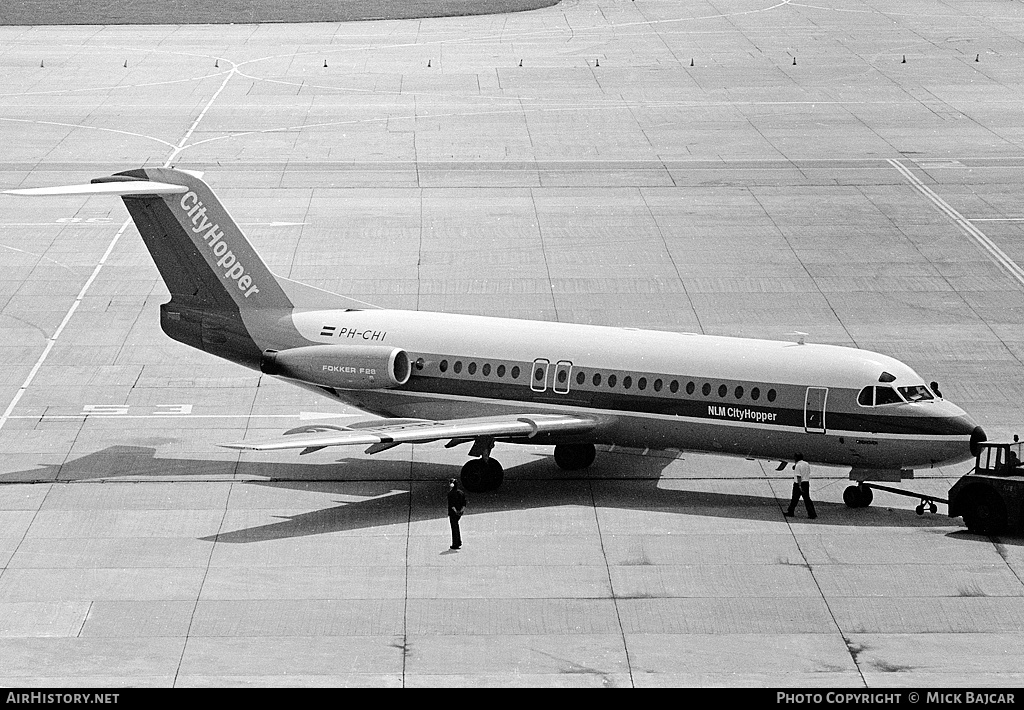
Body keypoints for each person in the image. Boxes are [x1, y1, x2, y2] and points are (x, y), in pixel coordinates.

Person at [785, 453, 817, 519]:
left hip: (799, 484)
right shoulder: (806, 464)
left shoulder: (798, 465)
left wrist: (799, 486)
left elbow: (798, 476)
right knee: (807, 499)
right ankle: (812, 513)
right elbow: (808, 472)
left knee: (794, 499)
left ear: (796, 458)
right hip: (806, 483)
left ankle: (790, 512)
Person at [447, 478, 467, 549]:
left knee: (454, 528)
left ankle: (455, 543)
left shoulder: (450, 494)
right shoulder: (461, 493)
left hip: (453, 513)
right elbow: (464, 503)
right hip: (459, 513)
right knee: (457, 526)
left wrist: (456, 511)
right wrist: (461, 511)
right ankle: (458, 541)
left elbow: (451, 505)